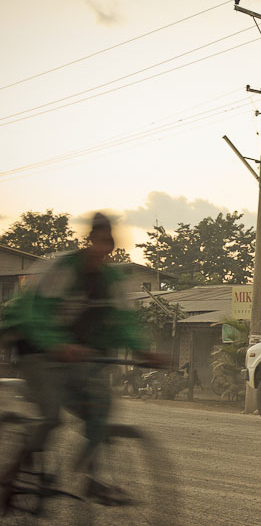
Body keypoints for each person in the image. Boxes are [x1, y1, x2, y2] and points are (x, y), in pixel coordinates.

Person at [1, 213, 160, 506]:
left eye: (109, 242)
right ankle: (10, 475)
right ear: (90, 240)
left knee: (100, 405)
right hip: (33, 344)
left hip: (73, 355)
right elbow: (36, 312)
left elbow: (123, 320)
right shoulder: (62, 267)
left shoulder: (109, 279)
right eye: (100, 240)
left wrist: (143, 350)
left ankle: (92, 478)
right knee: (51, 416)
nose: (104, 248)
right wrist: (57, 344)